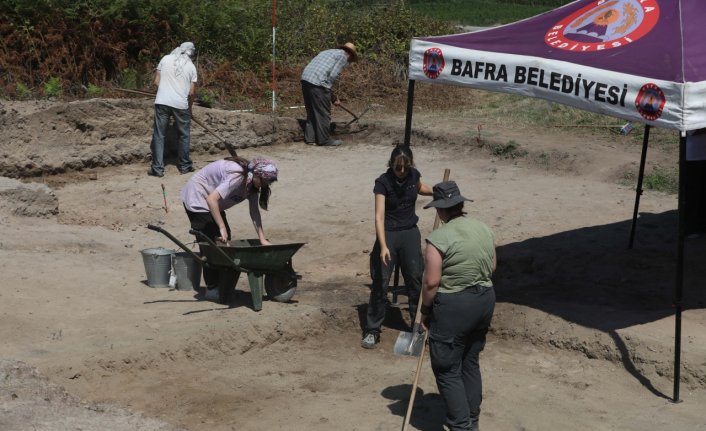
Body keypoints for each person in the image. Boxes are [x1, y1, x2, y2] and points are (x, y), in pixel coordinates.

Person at [420, 181, 497, 431]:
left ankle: (461, 426)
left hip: (455, 307)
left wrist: (425, 311)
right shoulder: (483, 228)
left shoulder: (438, 239)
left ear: (441, 210)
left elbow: (431, 282)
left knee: (447, 369)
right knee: (470, 361)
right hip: (484, 300)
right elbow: (492, 266)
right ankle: (472, 421)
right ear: (461, 204)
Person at [361, 145, 433, 349]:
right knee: (380, 282)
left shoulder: (413, 176)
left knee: (415, 280)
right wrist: (383, 246)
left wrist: (438, 191)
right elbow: (379, 217)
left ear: (409, 165)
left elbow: (422, 188)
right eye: (397, 168)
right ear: (391, 165)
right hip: (389, 234)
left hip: (410, 232)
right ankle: (372, 329)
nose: (401, 172)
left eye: (404, 168)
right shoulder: (382, 183)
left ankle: (418, 326)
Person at [180, 156, 277, 300]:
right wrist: (221, 226)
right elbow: (211, 200)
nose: (265, 185)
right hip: (197, 195)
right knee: (211, 244)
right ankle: (212, 289)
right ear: (256, 175)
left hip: (212, 201)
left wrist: (262, 238)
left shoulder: (252, 185)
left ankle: (223, 286)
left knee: (226, 241)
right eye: (264, 181)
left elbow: (254, 212)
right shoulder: (237, 176)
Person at [149, 41, 198, 177]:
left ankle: (157, 169)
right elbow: (191, 92)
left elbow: (157, 81)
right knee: (184, 135)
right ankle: (184, 166)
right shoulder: (191, 67)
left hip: (162, 101)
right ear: (191, 53)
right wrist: (189, 108)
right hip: (181, 104)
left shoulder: (165, 59)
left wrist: (166, 91)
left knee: (159, 135)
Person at [300, 42, 357, 147]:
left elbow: (322, 74)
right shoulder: (343, 56)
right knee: (323, 113)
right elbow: (332, 75)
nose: (349, 62)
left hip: (306, 79)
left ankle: (310, 138)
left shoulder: (327, 52)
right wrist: (330, 94)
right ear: (350, 54)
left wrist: (332, 97)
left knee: (312, 111)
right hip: (318, 82)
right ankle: (324, 140)